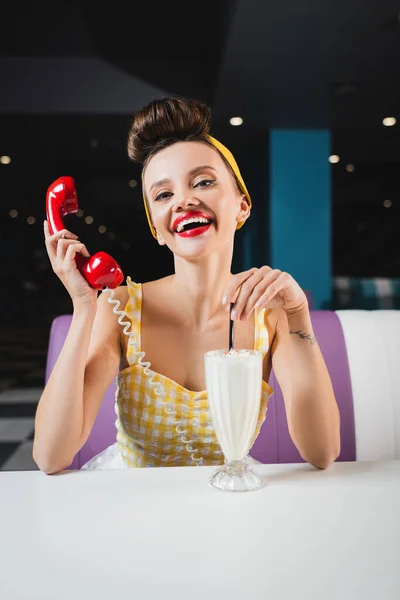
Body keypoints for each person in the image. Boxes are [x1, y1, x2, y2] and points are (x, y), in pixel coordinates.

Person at [33, 96, 340, 474]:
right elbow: (50, 456)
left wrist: (298, 316)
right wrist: (84, 306)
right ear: (157, 229)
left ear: (242, 205)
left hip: (226, 500)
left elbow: (322, 452)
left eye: (203, 182)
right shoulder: (120, 307)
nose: (184, 201)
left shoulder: (270, 313)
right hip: (135, 506)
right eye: (164, 195)